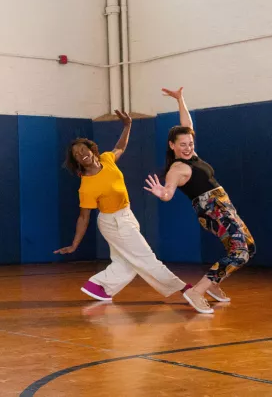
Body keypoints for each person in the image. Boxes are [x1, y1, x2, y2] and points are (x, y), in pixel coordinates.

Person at [56, 110, 198, 311]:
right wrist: (74, 244)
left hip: (126, 215)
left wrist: (127, 125)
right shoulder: (86, 186)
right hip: (113, 222)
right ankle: (182, 288)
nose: (81, 154)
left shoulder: (106, 159)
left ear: (91, 149)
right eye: (76, 154)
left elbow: (120, 146)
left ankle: (98, 286)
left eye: (83, 149)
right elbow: (83, 217)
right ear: (77, 161)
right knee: (145, 256)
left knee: (128, 261)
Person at [144, 87, 256, 315]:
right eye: (182, 144)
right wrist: (161, 193)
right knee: (240, 252)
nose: (188, 147)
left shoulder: (192, 156)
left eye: (190, 144)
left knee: (249, 247)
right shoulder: (177, 168)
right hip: (212, 210)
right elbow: (168, 194)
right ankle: (197, 291)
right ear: (172, 146)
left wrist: (180, 99)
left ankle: (214, 284)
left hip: (224, 206)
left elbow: (188, 127)